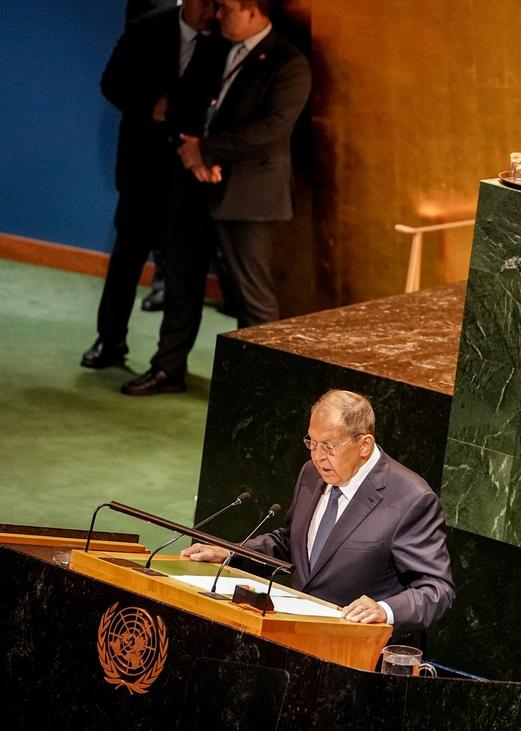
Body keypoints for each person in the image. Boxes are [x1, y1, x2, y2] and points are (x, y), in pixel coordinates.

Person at [123, 0, 311, 395]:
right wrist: (192, 154)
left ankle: (259, 390)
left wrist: (207, 152)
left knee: (253, 298)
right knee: (181, 283)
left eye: (226, 8)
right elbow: (179, 102)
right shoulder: (211, 48)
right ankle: (167, 368)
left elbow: (271, 130)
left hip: (248, 196)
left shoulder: (289, 63)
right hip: (194, 185)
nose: (217, 14)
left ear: (253, 11)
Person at [181, 390, 456, 632]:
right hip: (292, 630)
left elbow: (437, 589)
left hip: (354, 646)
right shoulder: (311, 474)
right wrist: (232, 554)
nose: (317, 456)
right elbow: (291, 543)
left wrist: (385, 610)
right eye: (311, 442)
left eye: (329, 446)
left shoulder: (411, 499)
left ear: (364, 445)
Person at [81, 0, 215, 370]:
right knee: (126, 258)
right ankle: (109, 341)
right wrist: (148, 108)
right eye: (206, 3)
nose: (213, 12)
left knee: (184, 269)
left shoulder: (222, 35)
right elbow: (111, 83)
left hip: (193, 171)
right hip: (143, 164)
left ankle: (169, 363)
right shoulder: (147, 27)